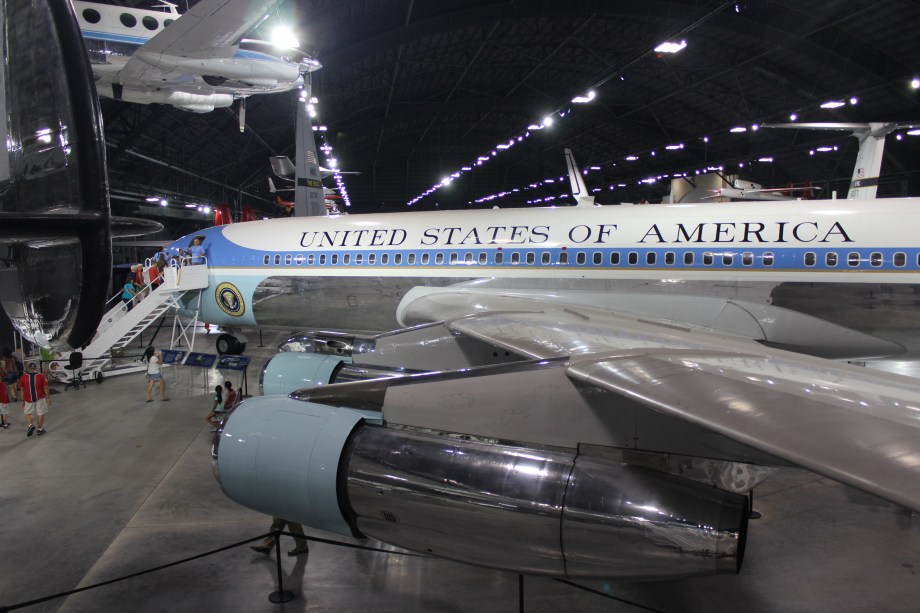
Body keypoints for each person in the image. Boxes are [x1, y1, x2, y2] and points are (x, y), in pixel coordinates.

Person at [19, 362, 50, 436]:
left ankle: (30, 425)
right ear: (35, 368)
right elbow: (45, 387)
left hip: (28, 398)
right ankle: (40, 430)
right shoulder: (41, 376)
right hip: (40, 397)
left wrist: (22, 400)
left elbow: (22, 390)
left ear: (28, 368)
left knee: (28, 413)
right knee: (40, 413)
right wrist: (48, 398)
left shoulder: (23, 377)